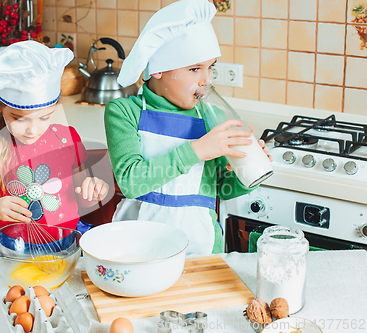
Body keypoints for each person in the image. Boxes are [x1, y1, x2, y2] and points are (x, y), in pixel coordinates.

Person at [104, 0, 272, 255]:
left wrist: (243, 173)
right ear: (158, 69)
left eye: (210, 68)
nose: (206, 80)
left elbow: (222, 190)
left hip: (202, 249)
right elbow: (131, 181)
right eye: (195, 69)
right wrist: (197, 149)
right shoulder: (124, 112)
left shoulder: (210, 117)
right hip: (137, 249)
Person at [0, 41, 109, 236]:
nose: (33, 129)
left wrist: (93, 192)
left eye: (45, 117)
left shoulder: (67, 139)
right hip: (15, 255)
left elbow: (81, 199)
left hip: (66, 248)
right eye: (19, 119)